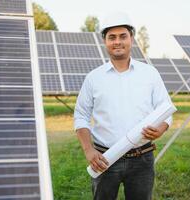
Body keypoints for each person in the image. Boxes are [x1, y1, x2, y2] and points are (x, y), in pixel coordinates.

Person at [74, 11, 173, 200]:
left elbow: (166, 110)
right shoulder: (94, 78)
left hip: (142, 159)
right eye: (112, 37)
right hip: (104, 159)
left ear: (131, 39)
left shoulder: (150, 74)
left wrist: (161, 128)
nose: (117, 42)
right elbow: (81, 115)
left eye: (122, 36)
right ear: (105, 41)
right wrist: (88, 150)